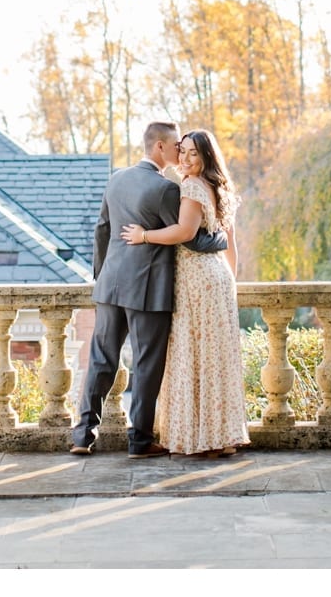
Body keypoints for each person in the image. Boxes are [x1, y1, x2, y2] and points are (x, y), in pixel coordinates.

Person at [70, 120, 229, 458]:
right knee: (147, 365)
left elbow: (101, 231)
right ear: (160, 147)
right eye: (176, 147)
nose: (180, 154)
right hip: (148, 288)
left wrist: (102, 277)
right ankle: (139, 442)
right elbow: (193, 239)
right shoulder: (166, 189)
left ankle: (83, 436)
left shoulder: (116, 180)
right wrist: (223, 236)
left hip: (110, 285)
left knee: (101, 360)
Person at [120, 128, 250, 458]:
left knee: (193, 358)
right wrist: (231, 284)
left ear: (207, 156)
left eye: (194, 153)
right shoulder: (222, 188)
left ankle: (199, 439)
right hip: (218, 277)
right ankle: (221, 438)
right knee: (215, 360)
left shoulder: (192, 186)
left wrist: (144, 236)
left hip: (197, 281)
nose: (187, 159)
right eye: (185, 152)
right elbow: (230, 244)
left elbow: (185, 231)